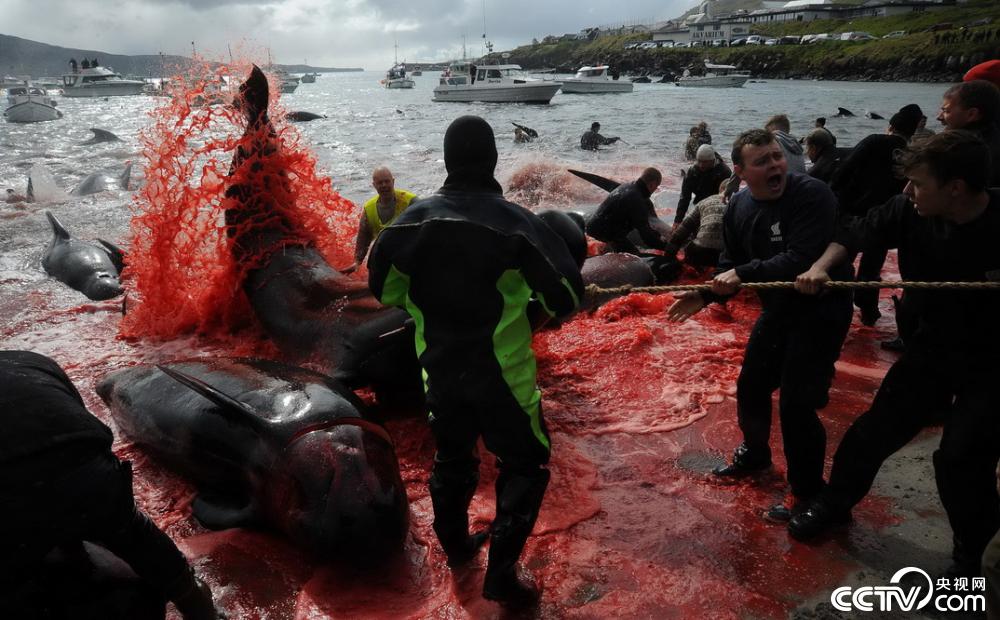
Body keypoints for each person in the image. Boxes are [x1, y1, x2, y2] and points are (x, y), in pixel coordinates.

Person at [368, 115, 583, 607]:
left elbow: (384, 289)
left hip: (438, 371)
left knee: (451, 459)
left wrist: (431, 305)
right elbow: (568, 295)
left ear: (446, 161)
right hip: (502, 377)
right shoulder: (520, 225)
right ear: (493, 160)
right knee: (525, 464)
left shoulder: (409, 223)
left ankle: (460, 550)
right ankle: (502, 577)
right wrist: (527, 307)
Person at [789, 131, 1000, 580]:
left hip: (995, 362)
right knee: (873, 431)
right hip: (933, 345)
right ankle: (834, 502)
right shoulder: (908, 210)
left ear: (956, 187)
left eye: (918, 183)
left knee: (961, 458)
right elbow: (853, 233)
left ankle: (972, 558)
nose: (907, 191)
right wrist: (820, 268)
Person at [667, 129, 853, 523]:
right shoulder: (738, 207)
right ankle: (754, 454)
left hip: (821, 309)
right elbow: (727, 267)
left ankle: (807, 493)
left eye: (777, 157)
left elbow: (799, 258)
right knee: (751, 384)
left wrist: (741, 273)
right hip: (779, 310)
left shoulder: (813, 194)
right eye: (762, 161)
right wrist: (707, 295)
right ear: (740, 171)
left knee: (796, 404)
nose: (774, 166)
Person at [0, 351, 221, 619]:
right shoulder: (28, 361)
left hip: (47, 480)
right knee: (132, 537)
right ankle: (199, 607)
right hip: (84, 466)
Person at [831, 103, 922, 327]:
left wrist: (833, 196)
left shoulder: (874, 141)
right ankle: (869, 310)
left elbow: (845, 169)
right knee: (871, 267)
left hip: (853, 213)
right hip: (884, 217)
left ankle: (834, 306)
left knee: (842, 259)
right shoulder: (913, 155)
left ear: (890, 126)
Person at [342, 167, 417, 274]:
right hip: (386, 259)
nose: (384, 185)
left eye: (387, 181)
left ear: (393, 181)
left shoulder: (411, 201)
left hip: (410, 255)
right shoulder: (369, 209)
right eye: (380, 183)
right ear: (374, 185)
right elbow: (364, 238)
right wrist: (357, 262)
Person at [585, 167, 670, 254]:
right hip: (603, 232)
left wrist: (658, 236)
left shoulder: (628, 186)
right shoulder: (637, 200)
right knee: (634, 257)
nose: (654, 190)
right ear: (652, 184)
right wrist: (667, 248)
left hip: (596, 227)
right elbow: (646, 237)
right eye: (656, 187)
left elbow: (646, 228)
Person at [665, 177, 738, 268]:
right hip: (725, 257)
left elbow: (684, 229)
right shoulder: (741, 204)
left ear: (721, 189)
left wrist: (669, 255)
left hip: (700, 252)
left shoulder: (705, 201)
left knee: (689, 249)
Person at [937, 79, 1000, 184]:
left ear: (971, 114)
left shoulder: (959, 152)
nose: (939, 117)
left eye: (946, 111)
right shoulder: (993, 139)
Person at [676, 145, 732, 227]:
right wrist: (677, 221)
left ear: (713, 160)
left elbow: (728, 199)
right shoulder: (692, 171)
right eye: (699, 161)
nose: (701, 165)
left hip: (718, 205)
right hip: (700, 202)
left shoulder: (724, 172)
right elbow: (684, 197)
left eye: (705, 162)